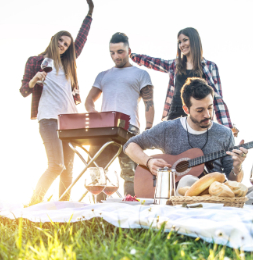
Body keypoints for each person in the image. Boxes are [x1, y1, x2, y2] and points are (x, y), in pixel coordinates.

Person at [123, 78, 253, 204]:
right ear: (187, 109)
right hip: (180, 194)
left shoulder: (224, 134)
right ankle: (233, 206)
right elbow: (129, 146)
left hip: (217, 194)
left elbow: (233, 181)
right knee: (188, 180)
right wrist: (148, 161)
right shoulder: (168, 128)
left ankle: (226, 205)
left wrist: (238, 166)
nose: (208, 115)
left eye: (210, 107)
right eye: (200, 110)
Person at [21, 1, 93, 204]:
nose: (63, 45)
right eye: (60, 41)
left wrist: (90, 13)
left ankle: (63, 209)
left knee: (67, 171)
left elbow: (81, 39)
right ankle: (33, 204)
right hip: (49, 119)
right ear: (54, 40)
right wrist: (35, 79)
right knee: (56, 165)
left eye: (66, 44)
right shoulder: (36, 61)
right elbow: (23, 91)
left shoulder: (68, 63)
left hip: (70, 122)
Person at [85, 32, 154, 196]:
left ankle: (129, 211)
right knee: (95, 170)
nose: (116, 56)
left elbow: (149, 103)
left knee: (130, 173)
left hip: (129, 130)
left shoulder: (141, 74)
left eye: (120, 52)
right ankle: (99, 211)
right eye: (112, 52)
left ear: (129, 51)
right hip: (105, 129)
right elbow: (89, 100)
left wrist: (149, 128)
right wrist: (94, 113)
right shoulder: (103, 75)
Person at [130, 27, 237, 133]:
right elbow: (153, 62)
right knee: (172, 149)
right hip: (176, 115)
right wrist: (131, 55)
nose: (181, 45)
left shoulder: (210, 67)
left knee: (197, 149)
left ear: (194, 41)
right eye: (179, 42)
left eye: (185, 40)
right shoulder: (175, 65)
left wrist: (227, 128)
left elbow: (217, 98)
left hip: (199, 115)